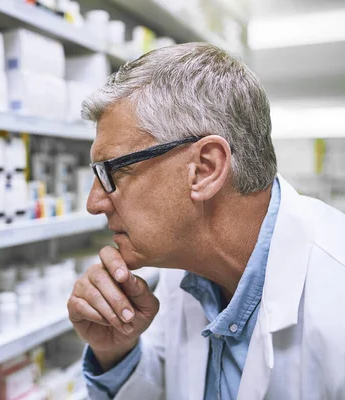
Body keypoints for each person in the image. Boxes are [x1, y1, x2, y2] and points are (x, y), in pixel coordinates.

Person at [67, 42, 345, 400]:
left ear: (205, 169)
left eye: (114, 172)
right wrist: (115, 351)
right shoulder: (182, 268)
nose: (94, 203)